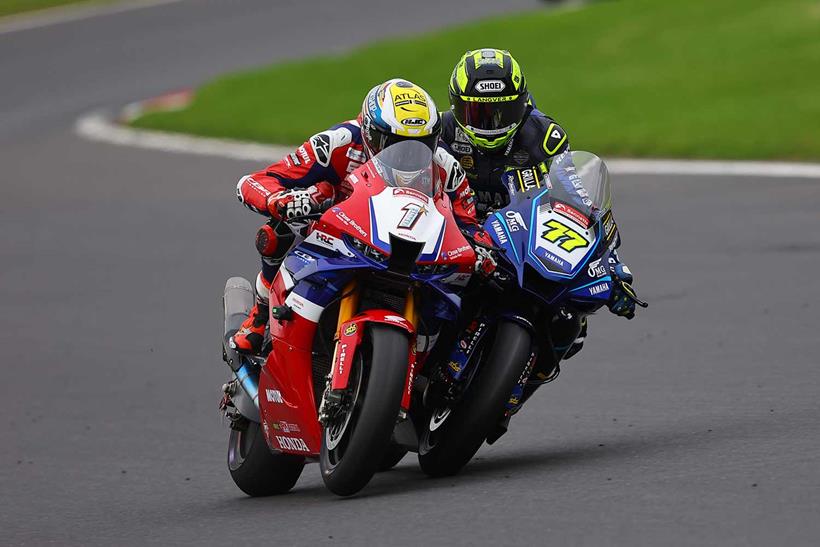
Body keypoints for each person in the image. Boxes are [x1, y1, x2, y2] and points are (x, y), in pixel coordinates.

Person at [230, 78, 493, 354]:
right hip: (339, 240)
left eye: (420, 145)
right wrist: (281, 200)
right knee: (276, 234)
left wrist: (480, 247)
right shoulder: (338, 142)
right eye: (392, 144)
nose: (405, 157)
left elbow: (468, 221)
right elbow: (256, 181)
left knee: (470, 287)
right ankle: (260, 315)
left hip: (414, 252)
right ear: (369, 132)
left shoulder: (444, 165)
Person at [440, 48, 641, 392]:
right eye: (479, 111)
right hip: (455, 230)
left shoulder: (545, 138)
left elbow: (583, 202)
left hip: (517, 239)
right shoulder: (441, 132)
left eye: (503, 110)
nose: (492, 122)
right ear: (457, 105)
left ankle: (519, 386)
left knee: (572, 324)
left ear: (523, 103)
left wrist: (613, 264)